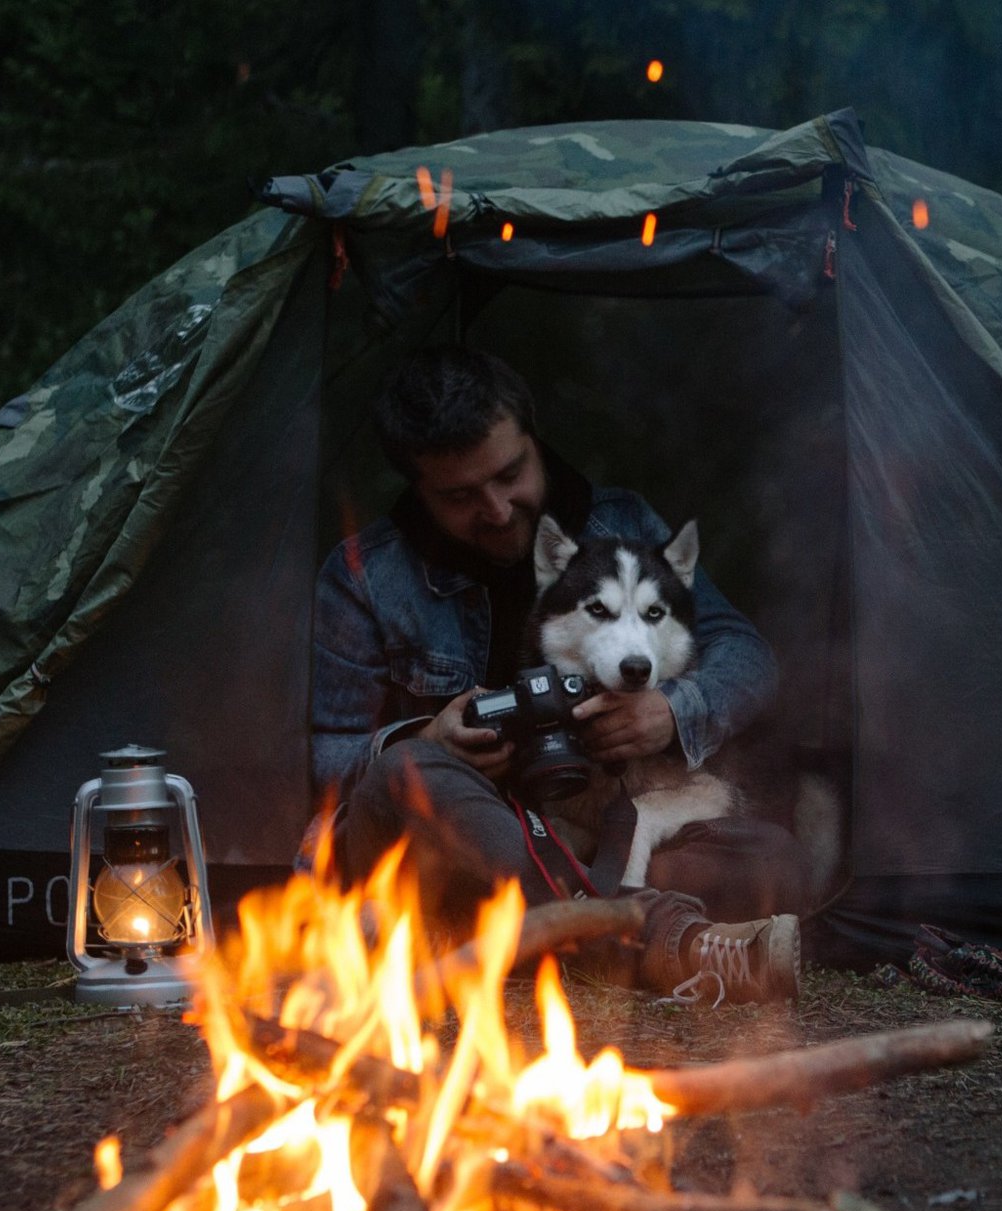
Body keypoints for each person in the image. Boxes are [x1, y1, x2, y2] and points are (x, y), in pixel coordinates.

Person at [311, 346, 801, 1002]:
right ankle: (645, 939)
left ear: (533, 436)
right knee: (406, 774)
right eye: (460, 496)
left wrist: (671, 710)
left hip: (593, 836)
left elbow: (745, 653)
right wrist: (426, 739)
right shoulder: (366, 577)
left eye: (510, 472)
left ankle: (513, 937)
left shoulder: (622, 526)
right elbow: (326, 760)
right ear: (417, 488)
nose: (496, 508)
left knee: (774, 858)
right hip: (463, 832)